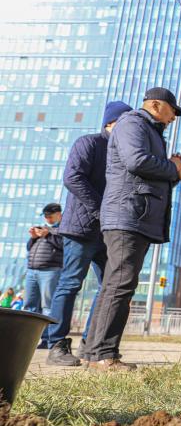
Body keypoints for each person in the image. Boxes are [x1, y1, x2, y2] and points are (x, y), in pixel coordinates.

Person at [83, 87, 181, 371]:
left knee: (114, 284)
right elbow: (136, 161)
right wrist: (172, 166)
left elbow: (156, 175)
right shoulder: (132, 123)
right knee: (120, 284)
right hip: (127, 214)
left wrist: (172, 170)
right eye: (172, 111)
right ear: (155, 105)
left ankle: (93, 352)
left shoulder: (150, 131)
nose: (174, 118)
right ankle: (104, 355)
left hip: (135, 215)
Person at [45, 101, 131, 366]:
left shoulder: (125, 152)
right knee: (70, 283)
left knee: (111, 287)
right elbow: (73, 178)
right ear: (109, 123)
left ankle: (92, 344)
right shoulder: (89, 143)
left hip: (110, 232)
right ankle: (56, 345)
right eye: (124, 123)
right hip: (81, 229)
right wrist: (101, 209)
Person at [24, 203, 64, 327]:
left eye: (50, 216)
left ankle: (47, 337)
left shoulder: (64, 228)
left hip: (50, 271)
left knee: (47, 306)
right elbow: (29, 248)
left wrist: (48, 236)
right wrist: (33, 238)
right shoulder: (42, 228)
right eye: (45, 216)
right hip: (32, 271)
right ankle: (26, 336)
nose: (47, 218)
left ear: (58, 214)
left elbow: (64, 246)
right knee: (29, 306)